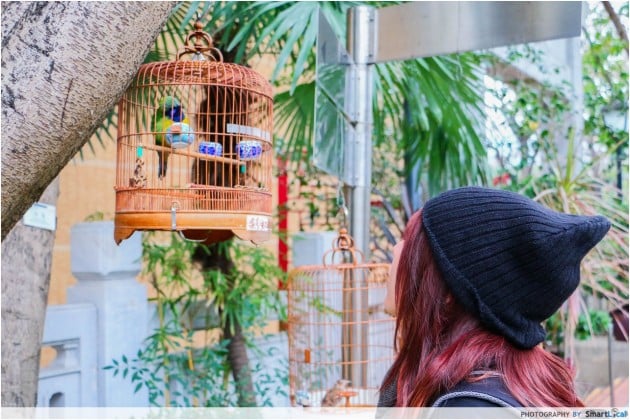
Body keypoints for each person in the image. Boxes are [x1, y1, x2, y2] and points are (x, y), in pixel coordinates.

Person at [379, 186, 611, 408]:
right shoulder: (493, 389)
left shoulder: (469, 408)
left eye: (411, 243)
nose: (396, 249)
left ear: (450, 291)